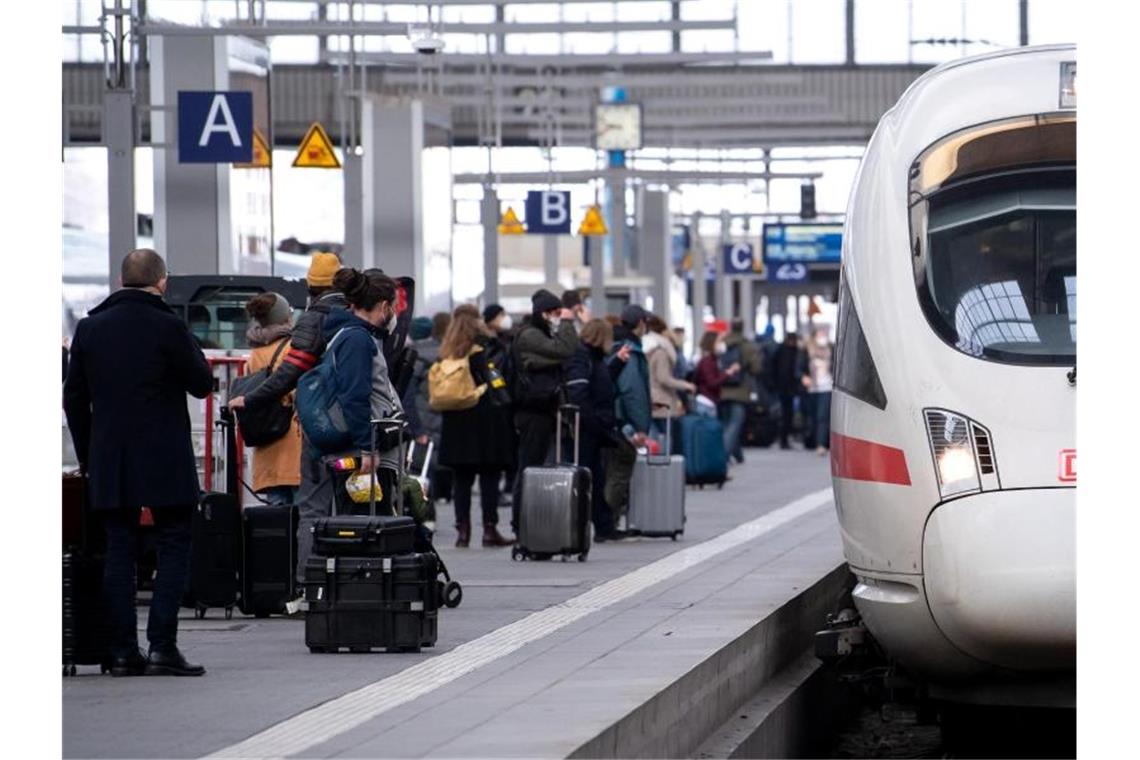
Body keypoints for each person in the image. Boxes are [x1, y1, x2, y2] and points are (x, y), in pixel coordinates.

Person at [63, 248, 212, 677]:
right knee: (174, 543)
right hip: (164, 456)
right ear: (161, 281)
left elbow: (74, 399)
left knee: (118, 550)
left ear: (121, 280)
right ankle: (163, 646)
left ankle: (123, 652)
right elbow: (202, 384)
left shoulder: (90, 329)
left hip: (111, 457)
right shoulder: (168, 326)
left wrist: (91, 451)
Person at [229, 252, 345, 592]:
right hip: (297, 440)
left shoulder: (254, 355)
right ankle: (311, 584)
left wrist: (250, 400)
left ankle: (277, 584)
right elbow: (297, 380)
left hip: (267, 445)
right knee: (312, 514)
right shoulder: (304, 339)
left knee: (276, 521)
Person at [297, 270, 405, 579]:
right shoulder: (357, 339)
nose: (394, 313)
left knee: (330, 515)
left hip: (343, 441)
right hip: (353, 446)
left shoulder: (347, 334)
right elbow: (354, 396)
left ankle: (318, 584)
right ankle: (324, 586)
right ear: (382, 306)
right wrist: (365, 447)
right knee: (350, 520)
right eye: (393, 306)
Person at [436, 305, 516, 548]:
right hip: (484, 416)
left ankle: (463, 531)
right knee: (489, 476)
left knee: (462, 478)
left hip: (456, 418)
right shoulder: (484, 344)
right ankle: (489, 530)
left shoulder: (447, 349)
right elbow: (491, 379)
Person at [510, 289, 578, 532]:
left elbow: (559, 355)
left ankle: (533, 521)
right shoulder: (530, 335)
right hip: (532, 411)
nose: (559, 317)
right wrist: (569, 321)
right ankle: (521, 522)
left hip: (544, 409)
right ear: (544, 313)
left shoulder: (540, 333)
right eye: (556, 313)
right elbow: (566, 349)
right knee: (529, 466)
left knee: (538, 467)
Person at [566, 319, 630, 541]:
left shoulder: (594, 359)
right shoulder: (581, 357)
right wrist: (593, 422)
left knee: (596, 479)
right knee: (587, 479)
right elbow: (579, 394)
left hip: (595, 428)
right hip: (586, 430)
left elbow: (601, 383)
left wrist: (617, 363)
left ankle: (604, 527)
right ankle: (592, 528)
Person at [243, 292, 302, 506]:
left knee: (276, 526)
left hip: (266, 447)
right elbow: (294, 392)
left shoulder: (254, 353)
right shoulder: (292, 349)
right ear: (285, 317)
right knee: (301, 521)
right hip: (293, 449)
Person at [603, 304, 653, 529]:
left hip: (607, 417)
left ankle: (605, 520)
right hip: (621, 420)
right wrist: (640, 426)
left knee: (610, 468)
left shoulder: (610, 344)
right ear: (641, 323)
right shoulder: (629, 350)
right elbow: (632, 391)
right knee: (621, 467)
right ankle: (607, 522)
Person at [643, 315, 696, 450]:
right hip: (662, 399)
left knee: (652, 436)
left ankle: (653, 466)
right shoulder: (661, 352)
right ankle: (663, 468)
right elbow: (663, 378)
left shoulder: (646, 349)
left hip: (648, 397)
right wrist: (686, 385)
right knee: (665, 437)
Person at [718, 318, 764, 465]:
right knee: (735, 425)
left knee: (727, 424)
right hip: (740, 391)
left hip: (722, 389)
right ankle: (722, 457)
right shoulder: (748, 346)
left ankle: (738, 455)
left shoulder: (722, 343)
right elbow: (756, 369)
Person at [773, 332, 809, 450]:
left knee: (787, 414)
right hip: (787, 388)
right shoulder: (793, 352)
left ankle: (784, 439)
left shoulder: (782, 350)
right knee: (787, 415)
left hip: (786, 388)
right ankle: (784, 439)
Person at [694, 331, 740, 417]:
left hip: (709, 402)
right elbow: (712, 382)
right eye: (719, 341)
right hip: (706, 403)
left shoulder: (712, 360)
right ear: (711, 343)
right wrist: (728, 373)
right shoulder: (707, 361)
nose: (721, 344)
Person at [803, 328, 834, 455]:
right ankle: (814, 441)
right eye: (820, 334)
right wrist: (803, 377)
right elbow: (799, 367)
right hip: (812, 388)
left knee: (822, 417)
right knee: (813, 417)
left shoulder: (831, 349)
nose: (823, 336)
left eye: (824, 334)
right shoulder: (807, 351)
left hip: (826, 387)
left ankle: (821, 444)